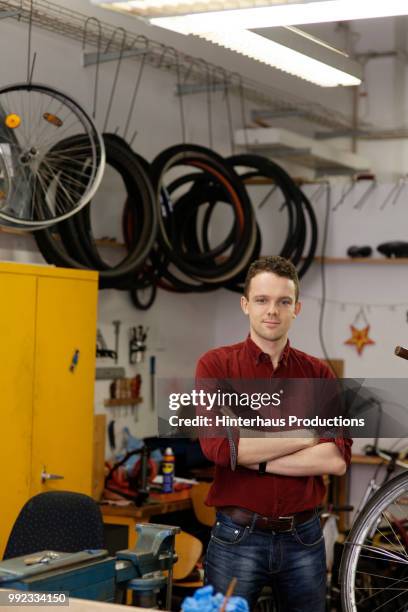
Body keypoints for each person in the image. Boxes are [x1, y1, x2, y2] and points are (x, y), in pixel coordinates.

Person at [195, 256, 352, 612]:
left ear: (296, 308)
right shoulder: (216, 366)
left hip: (304, 537)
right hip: (237, 537)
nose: (273, 311)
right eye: (263, 300)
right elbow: (219, 447)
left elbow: (335, 459)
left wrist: (255, 454)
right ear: (246, 304)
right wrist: (307, 434)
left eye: (283, 302)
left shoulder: (319, 375)